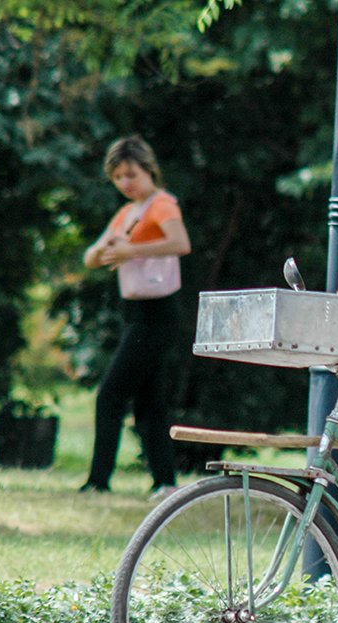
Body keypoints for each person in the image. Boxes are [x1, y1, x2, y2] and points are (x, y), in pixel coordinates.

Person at [79, 135, 190, 500]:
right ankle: (165, 481)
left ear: (148, 169)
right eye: (117, 178)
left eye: (131, 174)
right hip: (136, 312)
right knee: (149, 402)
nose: (125, 183)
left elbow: (180, 243)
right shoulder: (127, 214)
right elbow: (91, 257)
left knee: (110, 394)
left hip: (157, 314)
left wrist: (131, 250)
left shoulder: (161, 204)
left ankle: (98, 480)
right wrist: (105, 250)